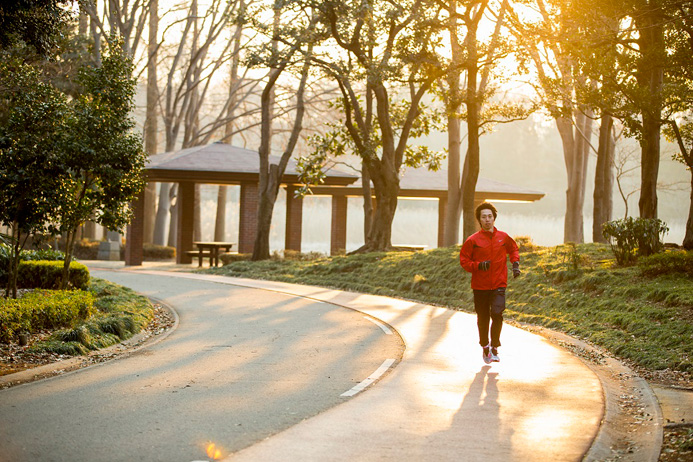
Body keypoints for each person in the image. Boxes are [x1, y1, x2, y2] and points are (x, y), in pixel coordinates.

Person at [459, 202, 520, 364]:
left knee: (498, 313)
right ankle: (485, 346)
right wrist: (478, 266)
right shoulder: (473, 240)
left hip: (499, 283)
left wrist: (515, 264)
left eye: (490, 216)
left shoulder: (503, 237)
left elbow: (514, 249)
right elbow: (464, 261)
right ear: (479, 219)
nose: (487, 220)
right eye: (484, 217)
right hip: (480, 286)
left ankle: (495, 347)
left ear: (494, 218)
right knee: (483, 317)